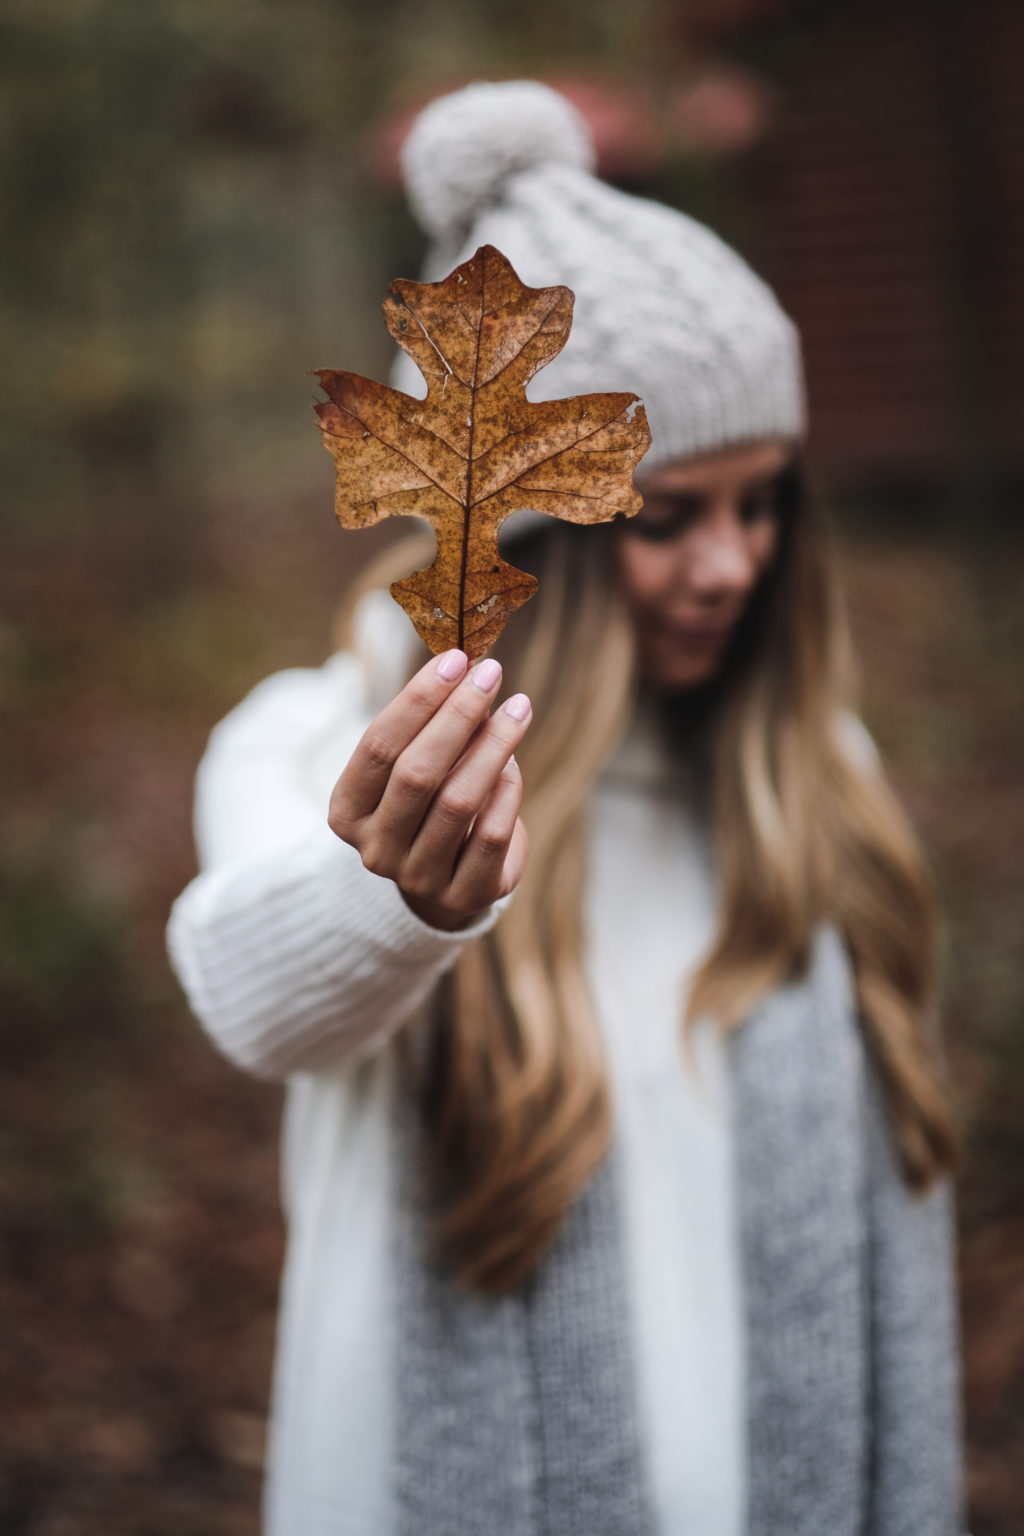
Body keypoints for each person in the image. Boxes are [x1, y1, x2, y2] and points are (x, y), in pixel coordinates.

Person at [167, 81, 964, 1536]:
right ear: (538, 535)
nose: (733, 565)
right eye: (670, 517)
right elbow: (253, 996)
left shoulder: (810, 777)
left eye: (764, 502)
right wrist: (391, 896)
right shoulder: (316, 746)